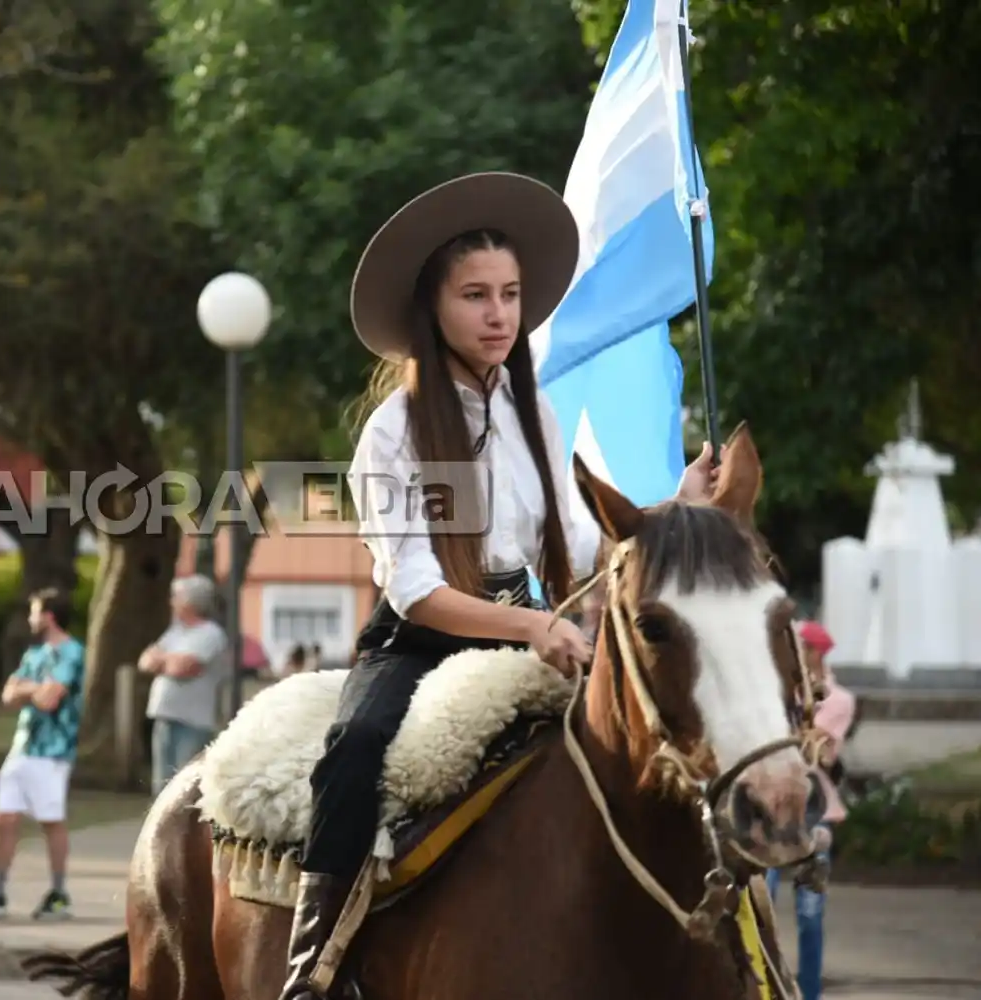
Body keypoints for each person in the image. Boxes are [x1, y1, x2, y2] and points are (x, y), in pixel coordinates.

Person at [276, 173, 720, 1000]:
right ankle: (312, 971)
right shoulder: (394, 429)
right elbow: (413, 589)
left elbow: (584, 541)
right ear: (431, 308)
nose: (498, 314)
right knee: (352, 752)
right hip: (422, 640)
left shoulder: (534, 411)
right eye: (475, 295)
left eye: (510, 295)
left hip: (539, 623)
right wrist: (532, 631)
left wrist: (674, 509)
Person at [0, 588, 85, 921]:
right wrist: (34, 689)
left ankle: (59, 893)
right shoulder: (35, 655)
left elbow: (50, 699)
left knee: (51, 820)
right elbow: (9, 694)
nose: (30, 619)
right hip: (22, 747)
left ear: (48, 616)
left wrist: (26, 690)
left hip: (53, 750)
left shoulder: (72, 653)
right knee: (4, 817)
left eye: (34, 612)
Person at [765, 619, 855, 1000]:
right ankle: (760, 985)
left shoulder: (838, 699)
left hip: (814, 811)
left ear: (813, 652)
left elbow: (819, 750)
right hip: (771, 808)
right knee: (759, 904)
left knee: (809, 914)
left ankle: (811, 993)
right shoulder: (775, 689)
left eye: (797, 647)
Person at [137, 575, 231, 794]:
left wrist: (162, 660)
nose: (171, 602)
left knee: (184, 788)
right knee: (161, 787)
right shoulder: (174, 633)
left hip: (192, 722)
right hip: (164, 716)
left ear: (191, 602)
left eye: (176, 597)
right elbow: (145, 661)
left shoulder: (210, 634)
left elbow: (183, 669)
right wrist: (168, 661)